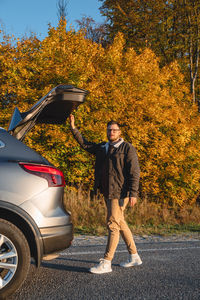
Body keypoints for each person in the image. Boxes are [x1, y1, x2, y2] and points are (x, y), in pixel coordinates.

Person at [69, 114, 142, 274]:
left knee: (113, 225)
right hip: (107, 192)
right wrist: (74, 128)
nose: (111, 132)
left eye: (114, 130)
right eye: (109, 130)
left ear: (119, 132)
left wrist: (133, 193)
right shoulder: (103, 147)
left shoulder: (127, 148)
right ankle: (134, 256)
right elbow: (85, 145)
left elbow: (134, 172)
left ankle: (107, 262)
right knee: (120, 222)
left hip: (120, 193)